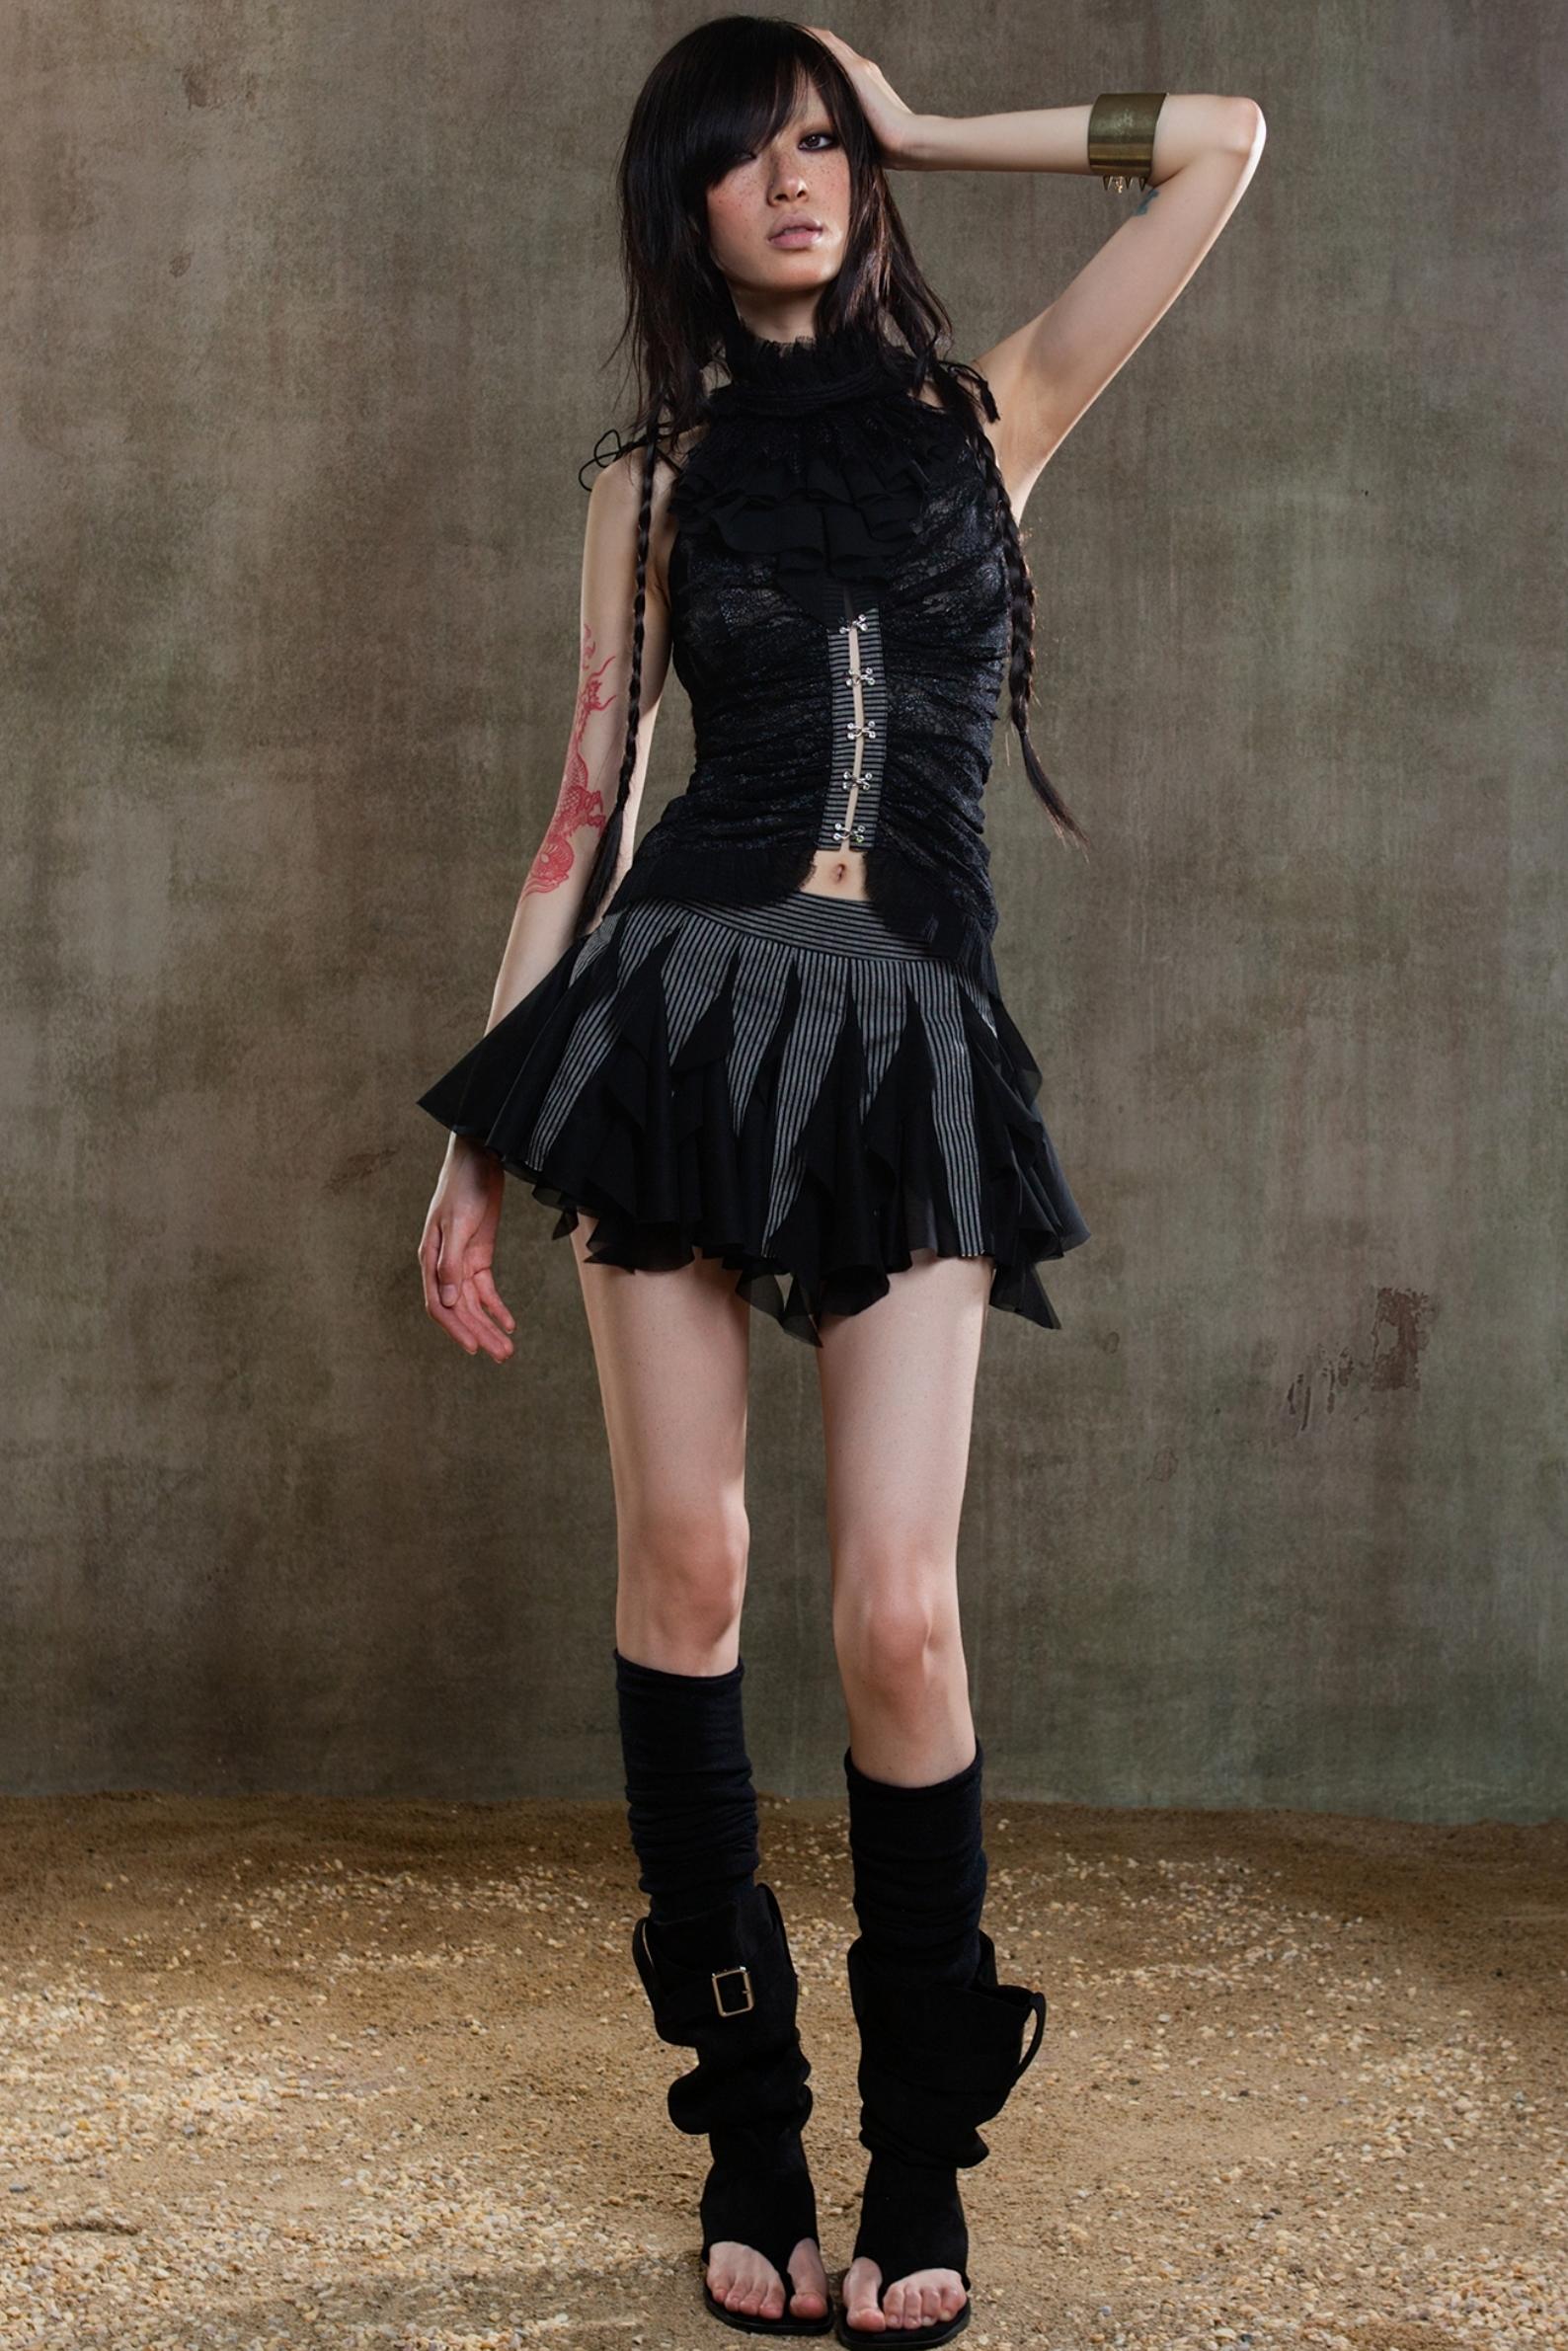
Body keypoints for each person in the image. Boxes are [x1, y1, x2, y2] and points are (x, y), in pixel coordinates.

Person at [415, 20, 1265, 2344]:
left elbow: (1220, 144)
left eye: (818, 143)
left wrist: (916, 119)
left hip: (904, 1045)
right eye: (749, 154)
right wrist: (480, 1142)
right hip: (673, 1020)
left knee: (898, 1614)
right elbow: (583, 815)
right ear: (680, 211)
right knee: (688, 1564)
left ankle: (912, 2158)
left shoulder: (993, 415)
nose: (795, 178)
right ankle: (752, 2130)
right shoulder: (651, 485)